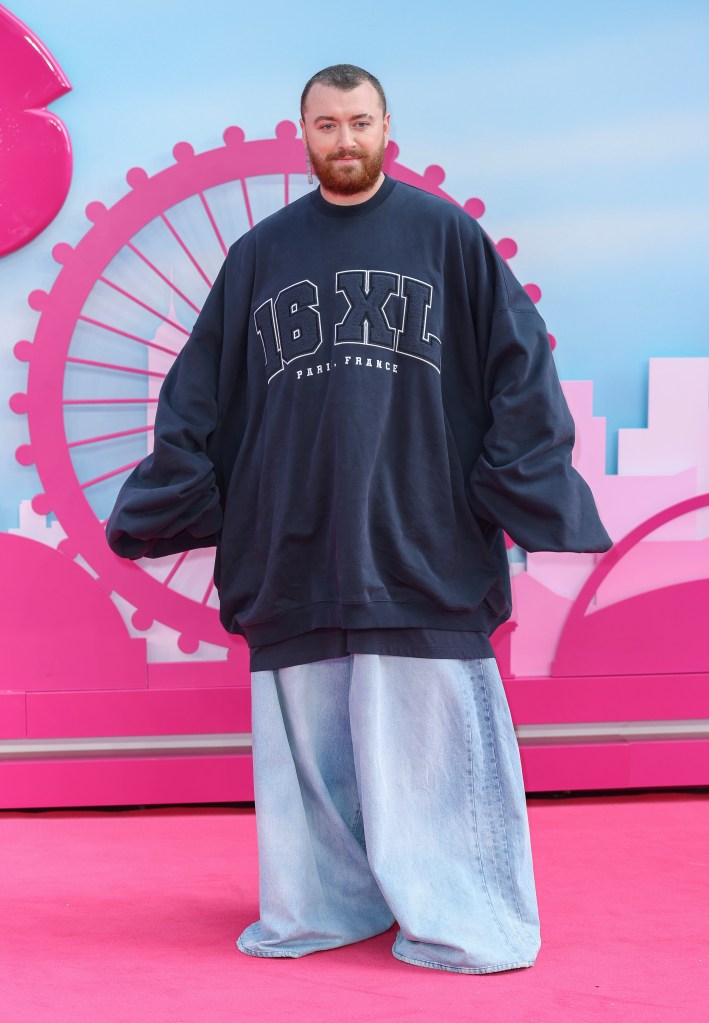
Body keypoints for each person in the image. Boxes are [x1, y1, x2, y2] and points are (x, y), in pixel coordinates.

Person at [106, 64, 612, 974]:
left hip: (421, 537)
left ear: (387, 126)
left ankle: (462, 916)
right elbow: (197, 395)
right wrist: (188, 499)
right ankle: (325, 906)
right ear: (301, 132)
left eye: (360, 121)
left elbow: (519, 372)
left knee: (435, 752)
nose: (345, 139)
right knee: (310, 758)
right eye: (327, 123)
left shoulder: (446, 238)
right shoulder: (259, 256)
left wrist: (503, 488)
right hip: (294, 539)